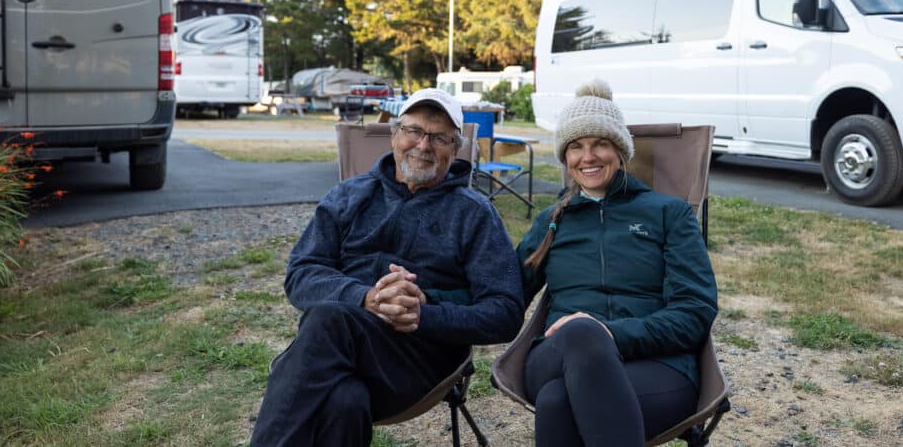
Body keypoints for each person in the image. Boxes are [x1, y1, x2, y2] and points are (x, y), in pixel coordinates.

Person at [251, 88, 524, 446]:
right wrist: (366, 297)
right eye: (413, 131)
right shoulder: (349, 196)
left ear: (455, 149)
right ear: (394, 135)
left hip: (420, 362)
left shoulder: (474, 213)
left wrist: (423, 312)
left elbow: (505, 312)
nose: (423, 145)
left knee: (328, 321)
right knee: (344, 401)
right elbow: (301, 273)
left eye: (439, 137)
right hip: (338, 352)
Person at [516, 80, 718, 447]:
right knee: (579, 333)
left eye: (600, 144)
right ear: (565, 157)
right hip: (555, 356)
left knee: (556, 401)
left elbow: (695, 310)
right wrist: (429, 296)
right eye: (575, 146)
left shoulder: (668, 213)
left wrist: (613, 333)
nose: (587, 157)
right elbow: (503, 294)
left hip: (659, 367)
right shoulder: (553, 220)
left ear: (621, 150)